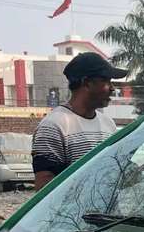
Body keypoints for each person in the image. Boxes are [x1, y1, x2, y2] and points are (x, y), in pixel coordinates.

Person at [31, 52, 127, 191]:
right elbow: (44, 187)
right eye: (106, 81)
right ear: (87, 83)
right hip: (72, 213)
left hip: (105, 212)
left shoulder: (108, 124)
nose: (112, 88)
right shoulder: (54, 126)